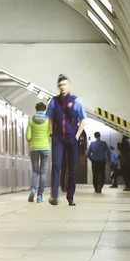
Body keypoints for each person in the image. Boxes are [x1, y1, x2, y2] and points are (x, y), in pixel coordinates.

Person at [46, 74, 86, 206]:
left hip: (71, 138)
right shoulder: (53, 101)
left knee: (72, 168)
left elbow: (83, 119)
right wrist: (51, 132)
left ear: (69, 85)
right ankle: (54, 196)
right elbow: (50, 118)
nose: (62, 87)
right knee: (56, 165)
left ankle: (70, 197)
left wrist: (77, 135)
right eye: (60, 85)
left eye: (64, 84)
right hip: (58, 138)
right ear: (58, 87)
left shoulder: (76, 101)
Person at [26, 101, 51, 203]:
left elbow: (28, 136)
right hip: (45, 147)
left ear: (36, 109)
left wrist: (33, 140)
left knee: (35, 171)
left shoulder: (31, 120)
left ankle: (32, 189)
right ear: (45, 110)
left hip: (34, 148)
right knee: (43, 172)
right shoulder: (48, 121)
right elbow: (50, 135)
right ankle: (40, 196)